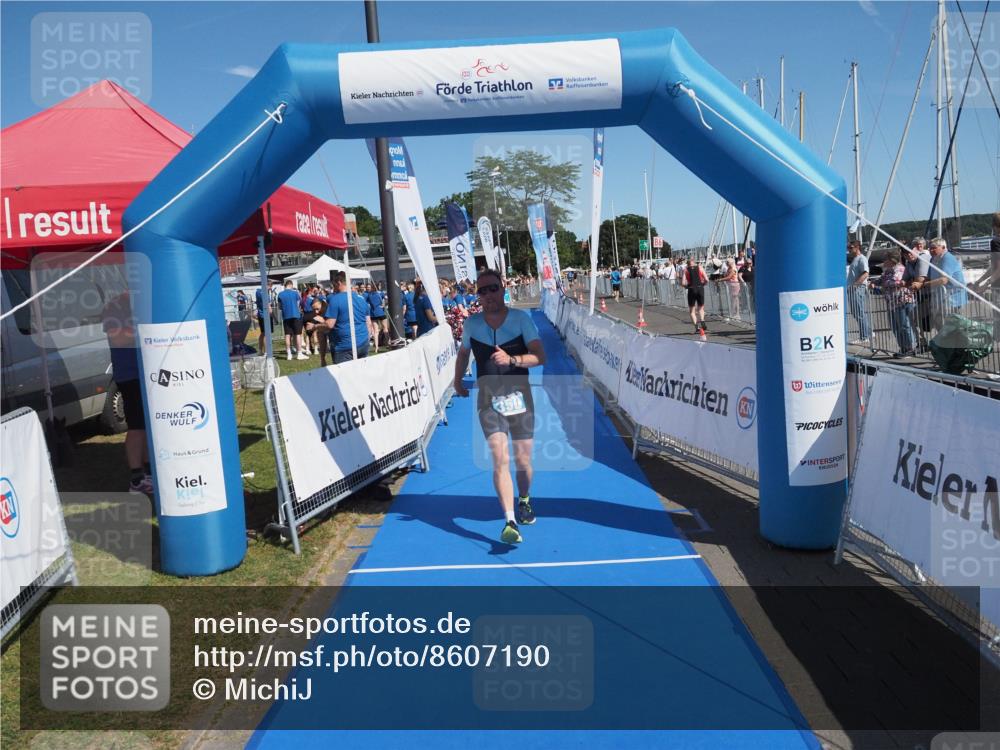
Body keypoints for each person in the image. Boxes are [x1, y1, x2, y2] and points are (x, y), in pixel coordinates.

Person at [453, 269, 546, 545]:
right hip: (488, 399)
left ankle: (525, 499)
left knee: (523, 461)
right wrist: (458, 380)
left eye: (492, 289)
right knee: (499, 458)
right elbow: (463, 353)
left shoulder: (521, 319)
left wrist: (513, 360)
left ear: (502, 288)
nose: (488, 295)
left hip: (520, 397)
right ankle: (510, 521)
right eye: (481, 291)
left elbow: (540, 356)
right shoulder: (472, 324)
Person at [101, 291, 152, 495]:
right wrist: (144, 331)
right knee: (137, 425)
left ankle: (148, 472)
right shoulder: (116, 305)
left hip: (146, 373)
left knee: (147, 425)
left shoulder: (140, 302)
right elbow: (119, 338)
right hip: (129, 375)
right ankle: (137, 478)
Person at [874, 248, 917, 356]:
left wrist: (884, 284)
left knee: (904, 325)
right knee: (895, 327)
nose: (884, 261)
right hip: (892, 303)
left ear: (892, 260)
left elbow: (896, 282)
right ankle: (902, 348)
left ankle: (910, 348)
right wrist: (874, 283)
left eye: (886, 259)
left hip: (901, 301)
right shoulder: (888, 270)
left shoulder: (900, 269)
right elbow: (882, 280)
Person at [324, 271, 371, 363]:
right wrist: (367, 340)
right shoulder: (361, 299)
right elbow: (368, 323)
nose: (334, 287)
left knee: (343, 376)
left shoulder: (335, 300)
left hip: (344, 347)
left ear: (339, 283)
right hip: (363, 343)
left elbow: (329, 324)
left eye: (334, 284)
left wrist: (316, 326)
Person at [925, 237, 967, 332]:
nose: (931, 250)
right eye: (930, 248)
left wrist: (925, 284)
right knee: (939, 322)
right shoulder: (933, 259)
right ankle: (945, 343)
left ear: (943, 247)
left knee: (954, 324)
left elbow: (944, 280)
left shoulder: (947, 258)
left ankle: (956, 345)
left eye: (934, 248)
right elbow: (929, 276)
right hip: (941, 297)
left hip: (953, 297)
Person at [970, 212, 1000, 343]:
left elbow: (998, 267)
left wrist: (986, 283)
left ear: (994, 225)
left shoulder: (995, 241)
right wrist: (980, 280)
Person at [902, 237, 931, 350]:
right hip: (919, 295)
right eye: (906, 254)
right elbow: (904, 280)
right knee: (915, 319)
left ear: (915, 251)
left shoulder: (922, 258)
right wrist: (909, 281)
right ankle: (923, 343)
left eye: (910, 252)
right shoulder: (909, 264)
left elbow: (920, 280)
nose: (909, 255)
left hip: (930, 294)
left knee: (929, 321)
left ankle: (933, 344)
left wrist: (910, 281)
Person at [846, 240, 872, 345]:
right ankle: (868, 333)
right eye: (848, 248)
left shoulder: (862, 259)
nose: (849, 249)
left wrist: (855, 286)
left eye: (851, 247)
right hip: (853, 289)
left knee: (859, 312)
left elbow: (865, 273)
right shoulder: (855, 259)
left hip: (858, 288)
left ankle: (864, 336)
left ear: (857, 248)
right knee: (856, 312)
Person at [277, 280, 308, 360]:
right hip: (296, 315)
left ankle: (289, 354)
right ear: (291, 285)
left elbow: (279, 307)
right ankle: (299, 353)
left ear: (285, 285)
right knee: (298, 334)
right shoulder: (295, 293)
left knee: (287, 335)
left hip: (286, 316)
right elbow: (298, 304)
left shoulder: (280, 294)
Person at [681, 256, 708, 334]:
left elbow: (682, 283)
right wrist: (703, 284)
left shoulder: (686, 270)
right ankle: (702, 320)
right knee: (701, 308)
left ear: (688, 264)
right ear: (694, 262)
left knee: (692, 310)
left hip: (691, 289)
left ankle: (697, 327)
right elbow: (707, 279)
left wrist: (686, 286)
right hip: (700, 288)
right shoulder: (700, 267)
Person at [255, 280, 274, 354]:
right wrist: (271, 313)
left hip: (261, 315)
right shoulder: (264, 293)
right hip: (265, 316)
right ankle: (267, 352)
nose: (270, 289)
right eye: (270, 287)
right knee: (266, 334)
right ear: (268, 285)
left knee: (263, 333)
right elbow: (268, 306)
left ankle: (260, 350)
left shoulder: (258, 292)